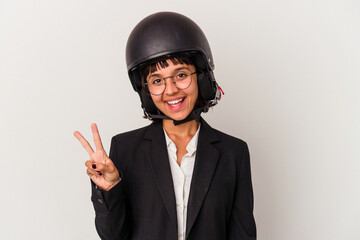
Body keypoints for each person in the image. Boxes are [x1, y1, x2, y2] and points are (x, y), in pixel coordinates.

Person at [74, 12, 256, 240]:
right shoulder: (125, 148)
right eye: (157, 80)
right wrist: (109, 188)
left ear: (201, 79)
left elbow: (243, 234)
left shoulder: (234, 152)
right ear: (146, 91)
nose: (170, 90)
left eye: (180, 75)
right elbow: (114, 236)